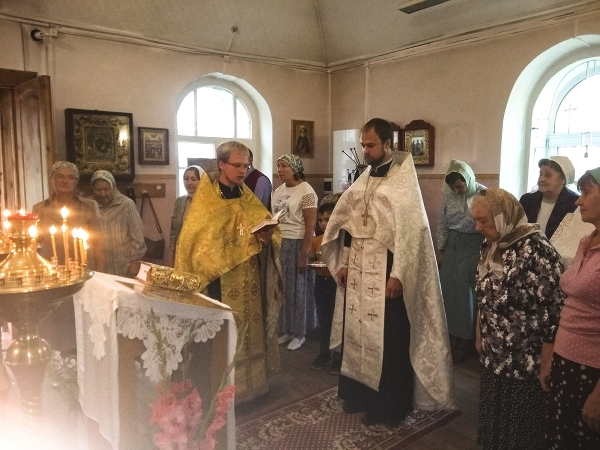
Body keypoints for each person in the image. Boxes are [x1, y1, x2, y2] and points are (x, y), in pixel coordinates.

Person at [321, 118, 454, 427]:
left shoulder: (402, 184)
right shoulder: (364, 180)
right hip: (357, 270)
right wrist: (341, 262)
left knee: (389, 339)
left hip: (386, 273)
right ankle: (358, 395)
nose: (365, 151)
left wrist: (398, 275)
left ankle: (389, 406)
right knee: (356, 333)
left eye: (371, 145)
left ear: (388, 145)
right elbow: (347, 225)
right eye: (363, 145)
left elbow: (411, 234)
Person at [174, 141, 282, 404]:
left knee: (249, 333)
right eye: (237, 165)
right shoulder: (207, 202)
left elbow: (263, 230)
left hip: (249, 280)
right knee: (223, 337)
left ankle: (253, 388)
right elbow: (199, 245)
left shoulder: (247, 197)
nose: (243, 170)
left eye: (246, 165)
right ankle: (221, 393)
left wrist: (266, 236)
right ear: (221, 164)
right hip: (219, 281)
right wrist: (240, 243)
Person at [471, 188, 564, 450]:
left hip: (525, 362)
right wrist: (480, 333)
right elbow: (483, 294)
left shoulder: (537, 250)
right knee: (495, 427)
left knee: (520, 433)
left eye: (483, 221)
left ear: (503, 217)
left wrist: (547, 365)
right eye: (475, 221)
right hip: (495, 355)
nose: (478, 227)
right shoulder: (492, 244)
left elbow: (552, 313)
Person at [545, 168, 600, 449]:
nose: (578, 201)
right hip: (565, 360)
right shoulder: (585, 242)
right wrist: (550, 355)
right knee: (560, 436)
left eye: (587, 192)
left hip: (592, 370)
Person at [33, 161, 106, 353]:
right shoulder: (39, 209)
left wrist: (101, 276)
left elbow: (98, 243)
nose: (65, 181)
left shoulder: (89, 206)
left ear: (76, 182)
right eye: (60, 176)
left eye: (70, 177)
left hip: (81, 272)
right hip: (51, 274)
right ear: (52, 180)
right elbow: (34, 245)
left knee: (81, 317)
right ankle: (56, 360)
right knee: (54, 319)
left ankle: (80, 357)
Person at [437, 160, 485, 362]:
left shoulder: (483, 194)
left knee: (468, 295)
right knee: (449, 293)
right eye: (453, 187)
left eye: (460, 186)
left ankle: (468, 340)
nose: (457, 190)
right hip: (453, 246)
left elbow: (488, 221)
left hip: (473, 246)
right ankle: (451, 339)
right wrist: (441, 248)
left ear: (468, 179)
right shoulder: (449, 197)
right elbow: (442, 223)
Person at [272, 154, 318, 351]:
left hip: (299, 243)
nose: (280, 170)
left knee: (299, 290)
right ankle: (286, 330)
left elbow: (310, 226)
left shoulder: (307, 191)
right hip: (281, 243)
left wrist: (304, 254)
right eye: (278, 166)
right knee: (283, 289)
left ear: (295, 168)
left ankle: (300, 333)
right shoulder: (279, 190)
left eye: (283, 166)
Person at [90, 170, 146, 277]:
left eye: (106, 189)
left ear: (113, 187)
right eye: (98, 190)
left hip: (123, 266)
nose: (102, 194)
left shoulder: (126, 205)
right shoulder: (89, 205)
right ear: (92, 189)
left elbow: (138, 237)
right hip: (96, 267)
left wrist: (135, 262)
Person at [308, 201, 341, 372]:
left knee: (337, 321)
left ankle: (338, 356)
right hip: (321, 283)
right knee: (324, 319)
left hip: (336, 285)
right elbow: (312, 260)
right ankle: (324, 353)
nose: (323, 223)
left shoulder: (339, 241)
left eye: (327, 219)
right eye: (320, 220)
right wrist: (314, 265)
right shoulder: (316, 241)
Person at [519, 155, 579, 238]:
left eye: (548, 175)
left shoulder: (575, 204)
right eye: (541, 174)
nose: (541, 179)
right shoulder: (527, 200)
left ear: (563, 180)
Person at [170, 165, 202, 259]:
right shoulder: (179, 202)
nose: (189, 183)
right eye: (186, 179)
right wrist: (173, 251)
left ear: (201, 181)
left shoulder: (207, 203)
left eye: (193, 179)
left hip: (200, 253)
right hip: (182, 252)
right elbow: (173, 228)